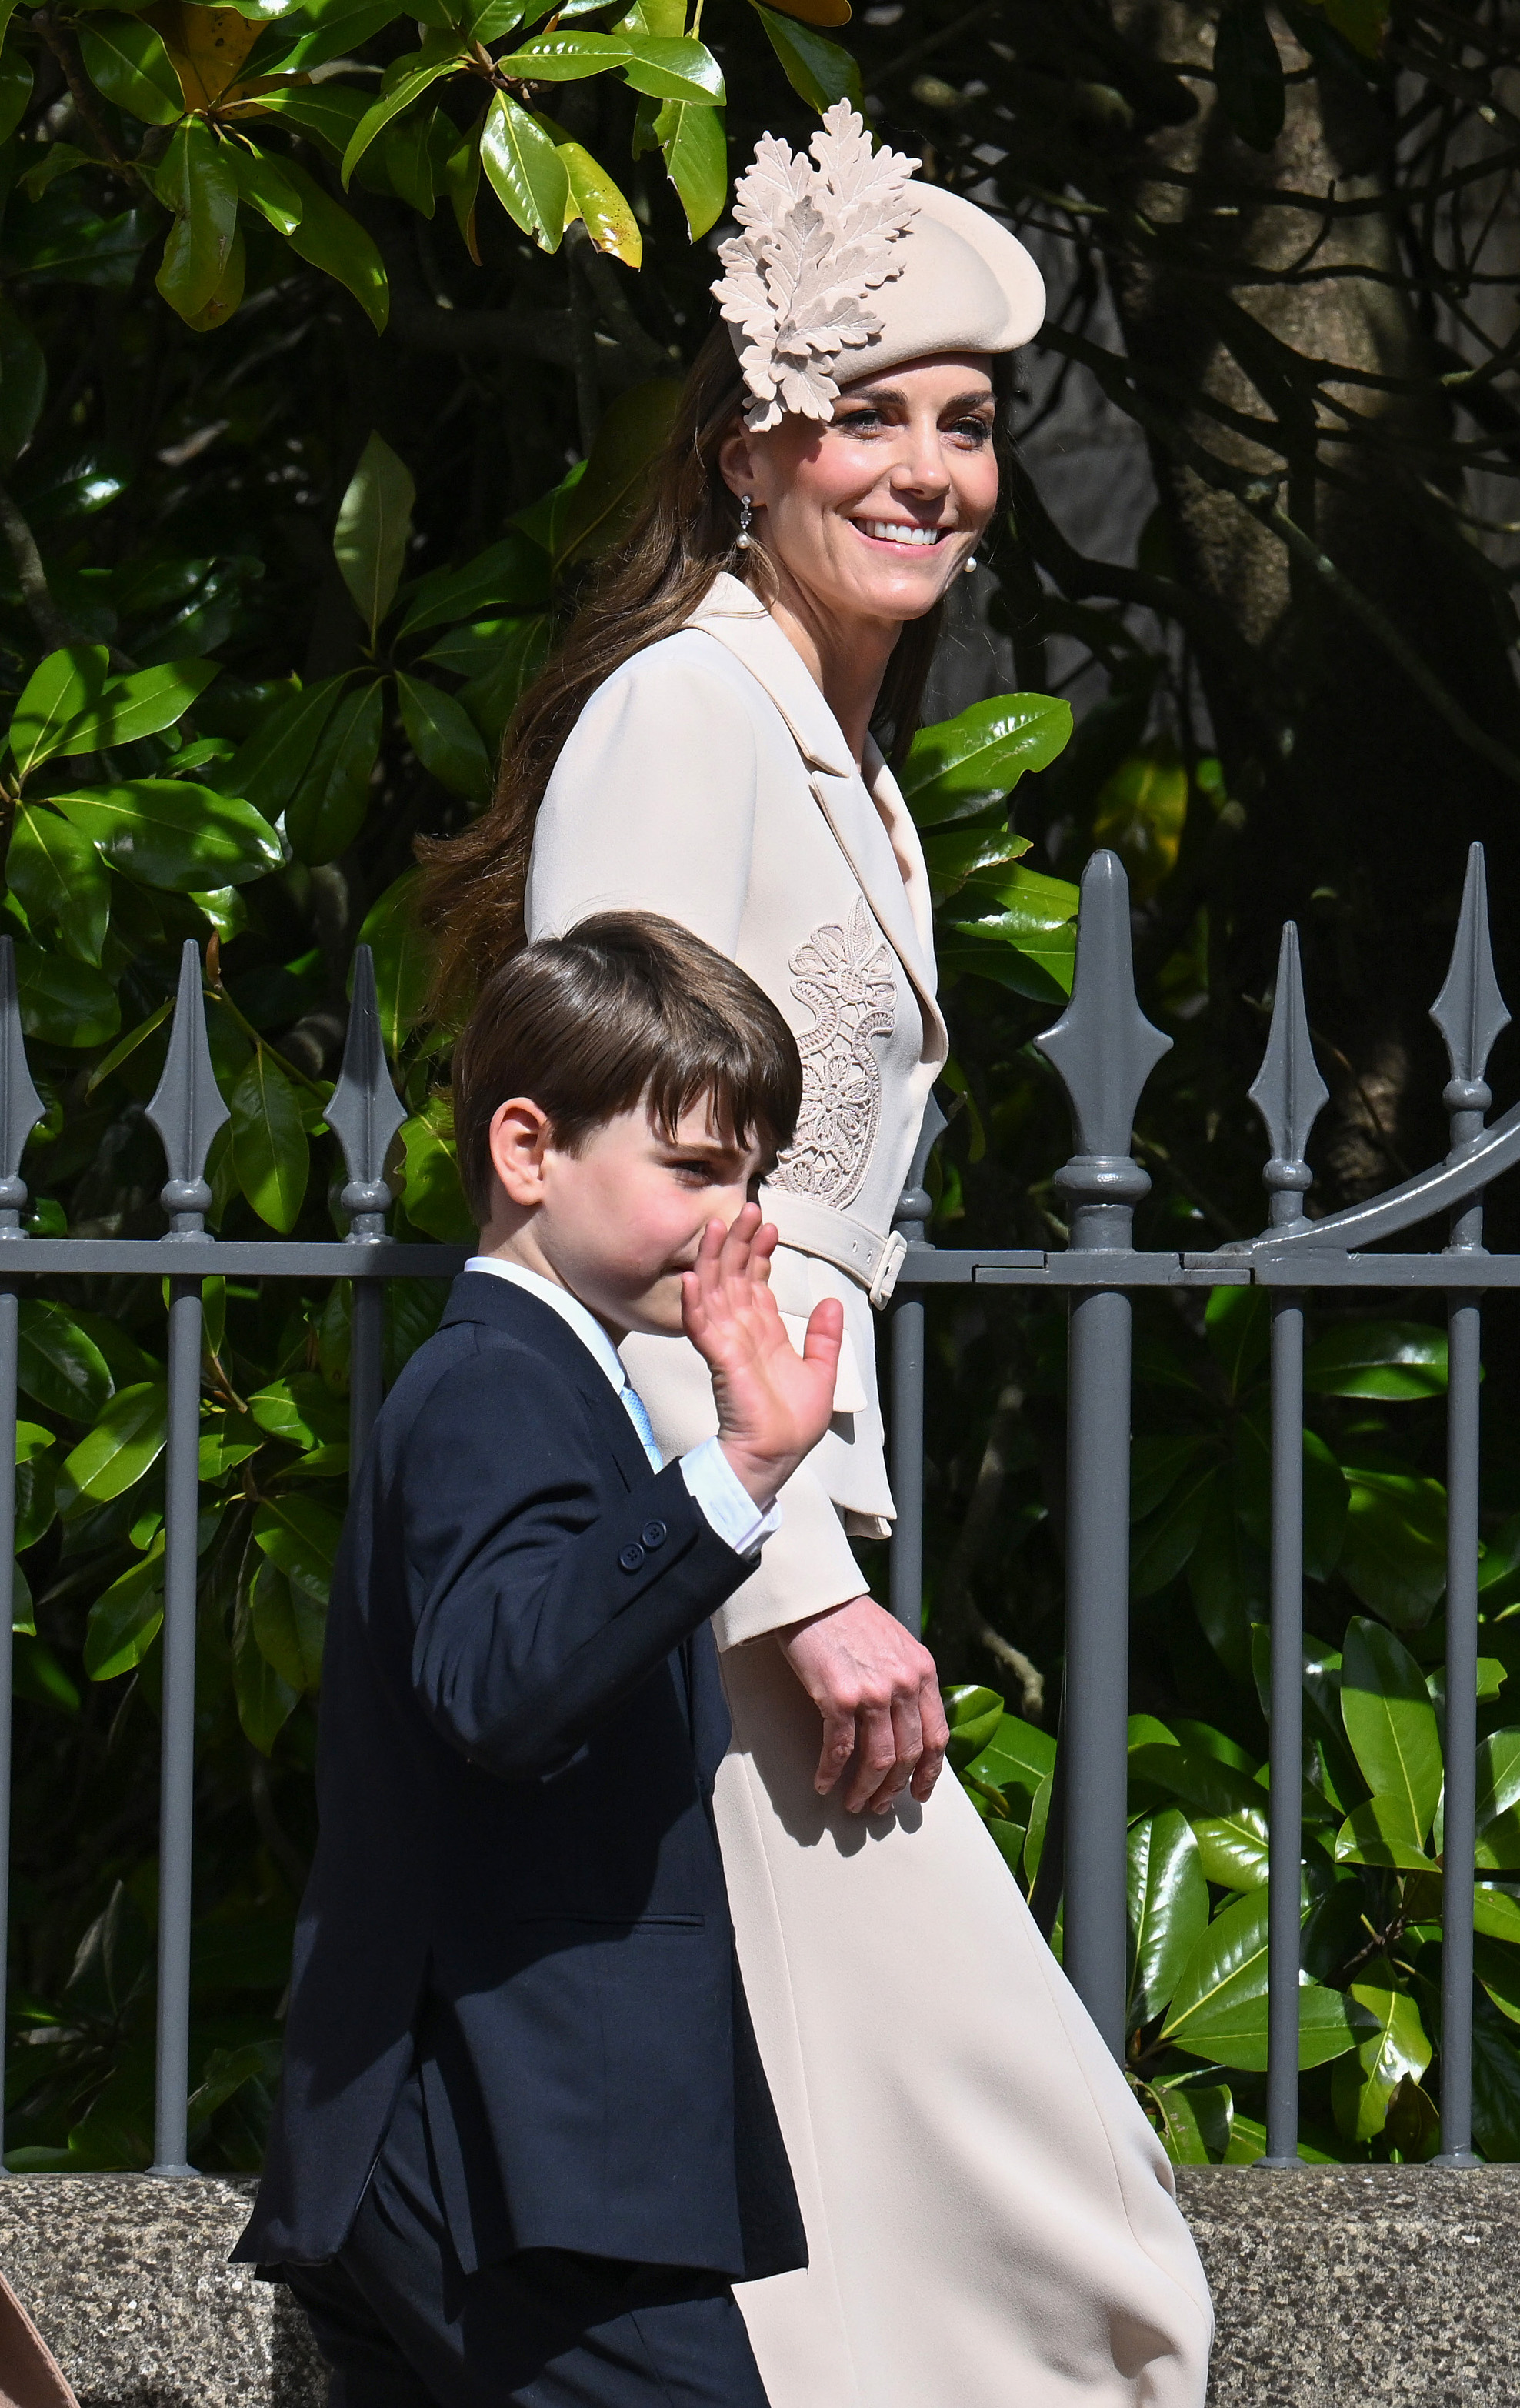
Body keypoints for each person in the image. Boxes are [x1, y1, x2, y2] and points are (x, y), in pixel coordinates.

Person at [418, 107, 1214, 2407]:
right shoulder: (688, 709)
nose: (931, 471)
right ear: (751, 442)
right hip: (727, 1553)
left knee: (853, 2259)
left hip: (791, 1516)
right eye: (869, 414)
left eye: (965, 428)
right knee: (1065, 2249)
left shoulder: (849, 759)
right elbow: (612, 1215)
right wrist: (784, 1584)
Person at [234, 912, 854, 2408]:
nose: (738, 1220)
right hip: (512, 2151)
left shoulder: (557, 1379)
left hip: (521, 2150)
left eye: (754, 1178)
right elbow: (500, 1687)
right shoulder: (493, 1383)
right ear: (527, 1149)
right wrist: (739, 1476)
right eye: (696, 1169)